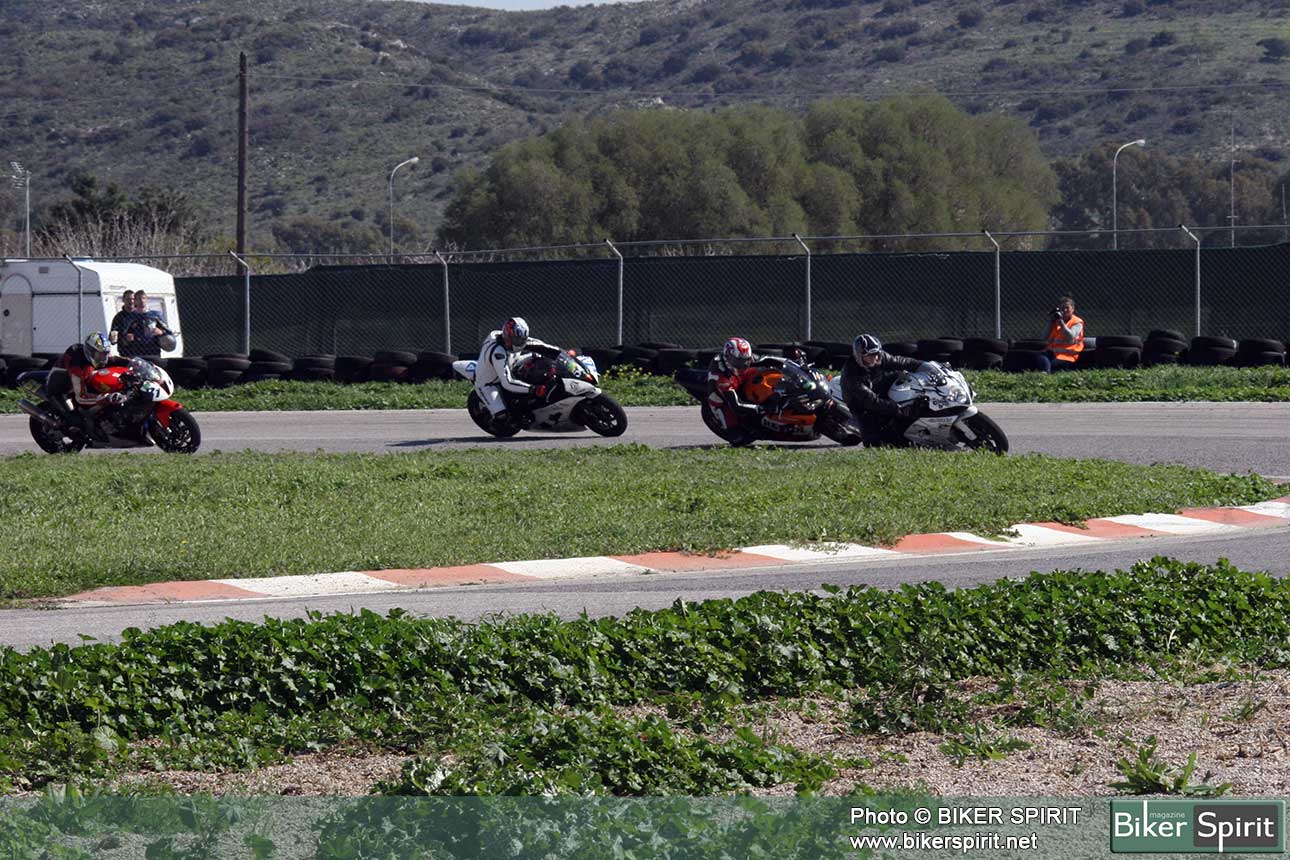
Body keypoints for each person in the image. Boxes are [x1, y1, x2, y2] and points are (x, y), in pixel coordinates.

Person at [839, 334, 933, 448]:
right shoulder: (851, 376)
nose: (875, 358)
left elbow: (901, 361)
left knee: (902, 376)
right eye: (871, 355)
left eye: (877, 353)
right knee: (873, 443)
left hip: (879, 384)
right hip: (861, 404)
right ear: (859, 355)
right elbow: (871, 402)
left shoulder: (880, 357)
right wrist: (900, 409)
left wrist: (923, 366)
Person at [473, 317, 559, 424]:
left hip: (511, 364)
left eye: (522, 340)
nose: (520, 343)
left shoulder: (516, 339)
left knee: (538, 357)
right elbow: (507, 383)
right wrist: (533, 389)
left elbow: (540, 345)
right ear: (507, 337)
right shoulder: (497, 353)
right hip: (489, 383)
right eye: (516, 340)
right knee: (502, 416)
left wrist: (560, 353)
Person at [47, 332, 131, 438]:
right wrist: (106, 398)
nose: (103, 358)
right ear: (90, 352)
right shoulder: (77, 365)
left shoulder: (96, 357)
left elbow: (112, 359)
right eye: (100, 355)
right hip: (62, 387)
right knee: (76, 421)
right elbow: (81, 397)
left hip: (81, 381)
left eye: (105, 354)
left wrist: (131, 362)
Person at [705, 337, 762, 434]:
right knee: (735, 433)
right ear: (728, 357)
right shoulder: (721, 375)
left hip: (738, 378)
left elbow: (766, 359)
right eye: (738, 361)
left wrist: (785, 363)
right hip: (721, 395)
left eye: (746, 360)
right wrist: (762, 409)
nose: (743, 364)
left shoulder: (746, 359)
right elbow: (736, 405)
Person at [1042, 295, 1084, 372]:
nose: (1064, 310)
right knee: (1039, 356)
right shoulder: (1056, 320)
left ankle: (1046, 371)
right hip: (1053, 353)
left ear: (1073, 309)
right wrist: (1050, 321)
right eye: (1062, 308)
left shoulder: (1077, 322)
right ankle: (1046, 370)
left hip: (1068, 356)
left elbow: (1071, 336)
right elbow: (1044, 337)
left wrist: (1062, 324)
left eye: (1067, 308)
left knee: (1052, 364)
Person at [125, 290, 167, 357]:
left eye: (143, 298)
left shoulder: (156, 315)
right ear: (135, 301)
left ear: (147, 300)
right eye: (139, 299)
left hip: (154, 351)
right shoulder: (130, 318)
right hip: (137, 352)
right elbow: (123, 338)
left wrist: (160, 332)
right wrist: (127, 338)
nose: (142, 301)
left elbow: (168, 332)